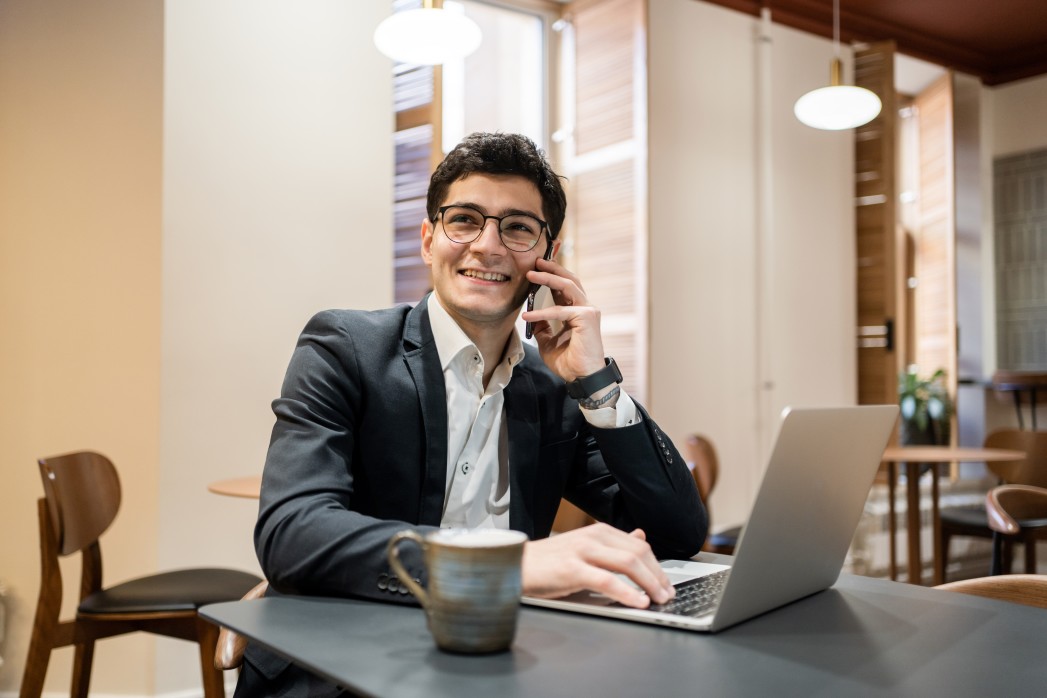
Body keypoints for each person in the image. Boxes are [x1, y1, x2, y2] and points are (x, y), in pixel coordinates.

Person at [235, 132, 707, 696]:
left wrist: (596, 381)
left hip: (501, 664)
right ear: (429, 240)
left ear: (547, 256)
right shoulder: (345, 347)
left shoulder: (553, 389)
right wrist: (508, 568)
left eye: (517, 227)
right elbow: (292, 531)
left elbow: (678, 533)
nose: (488, 246)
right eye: (465, 220)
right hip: (350, 666)